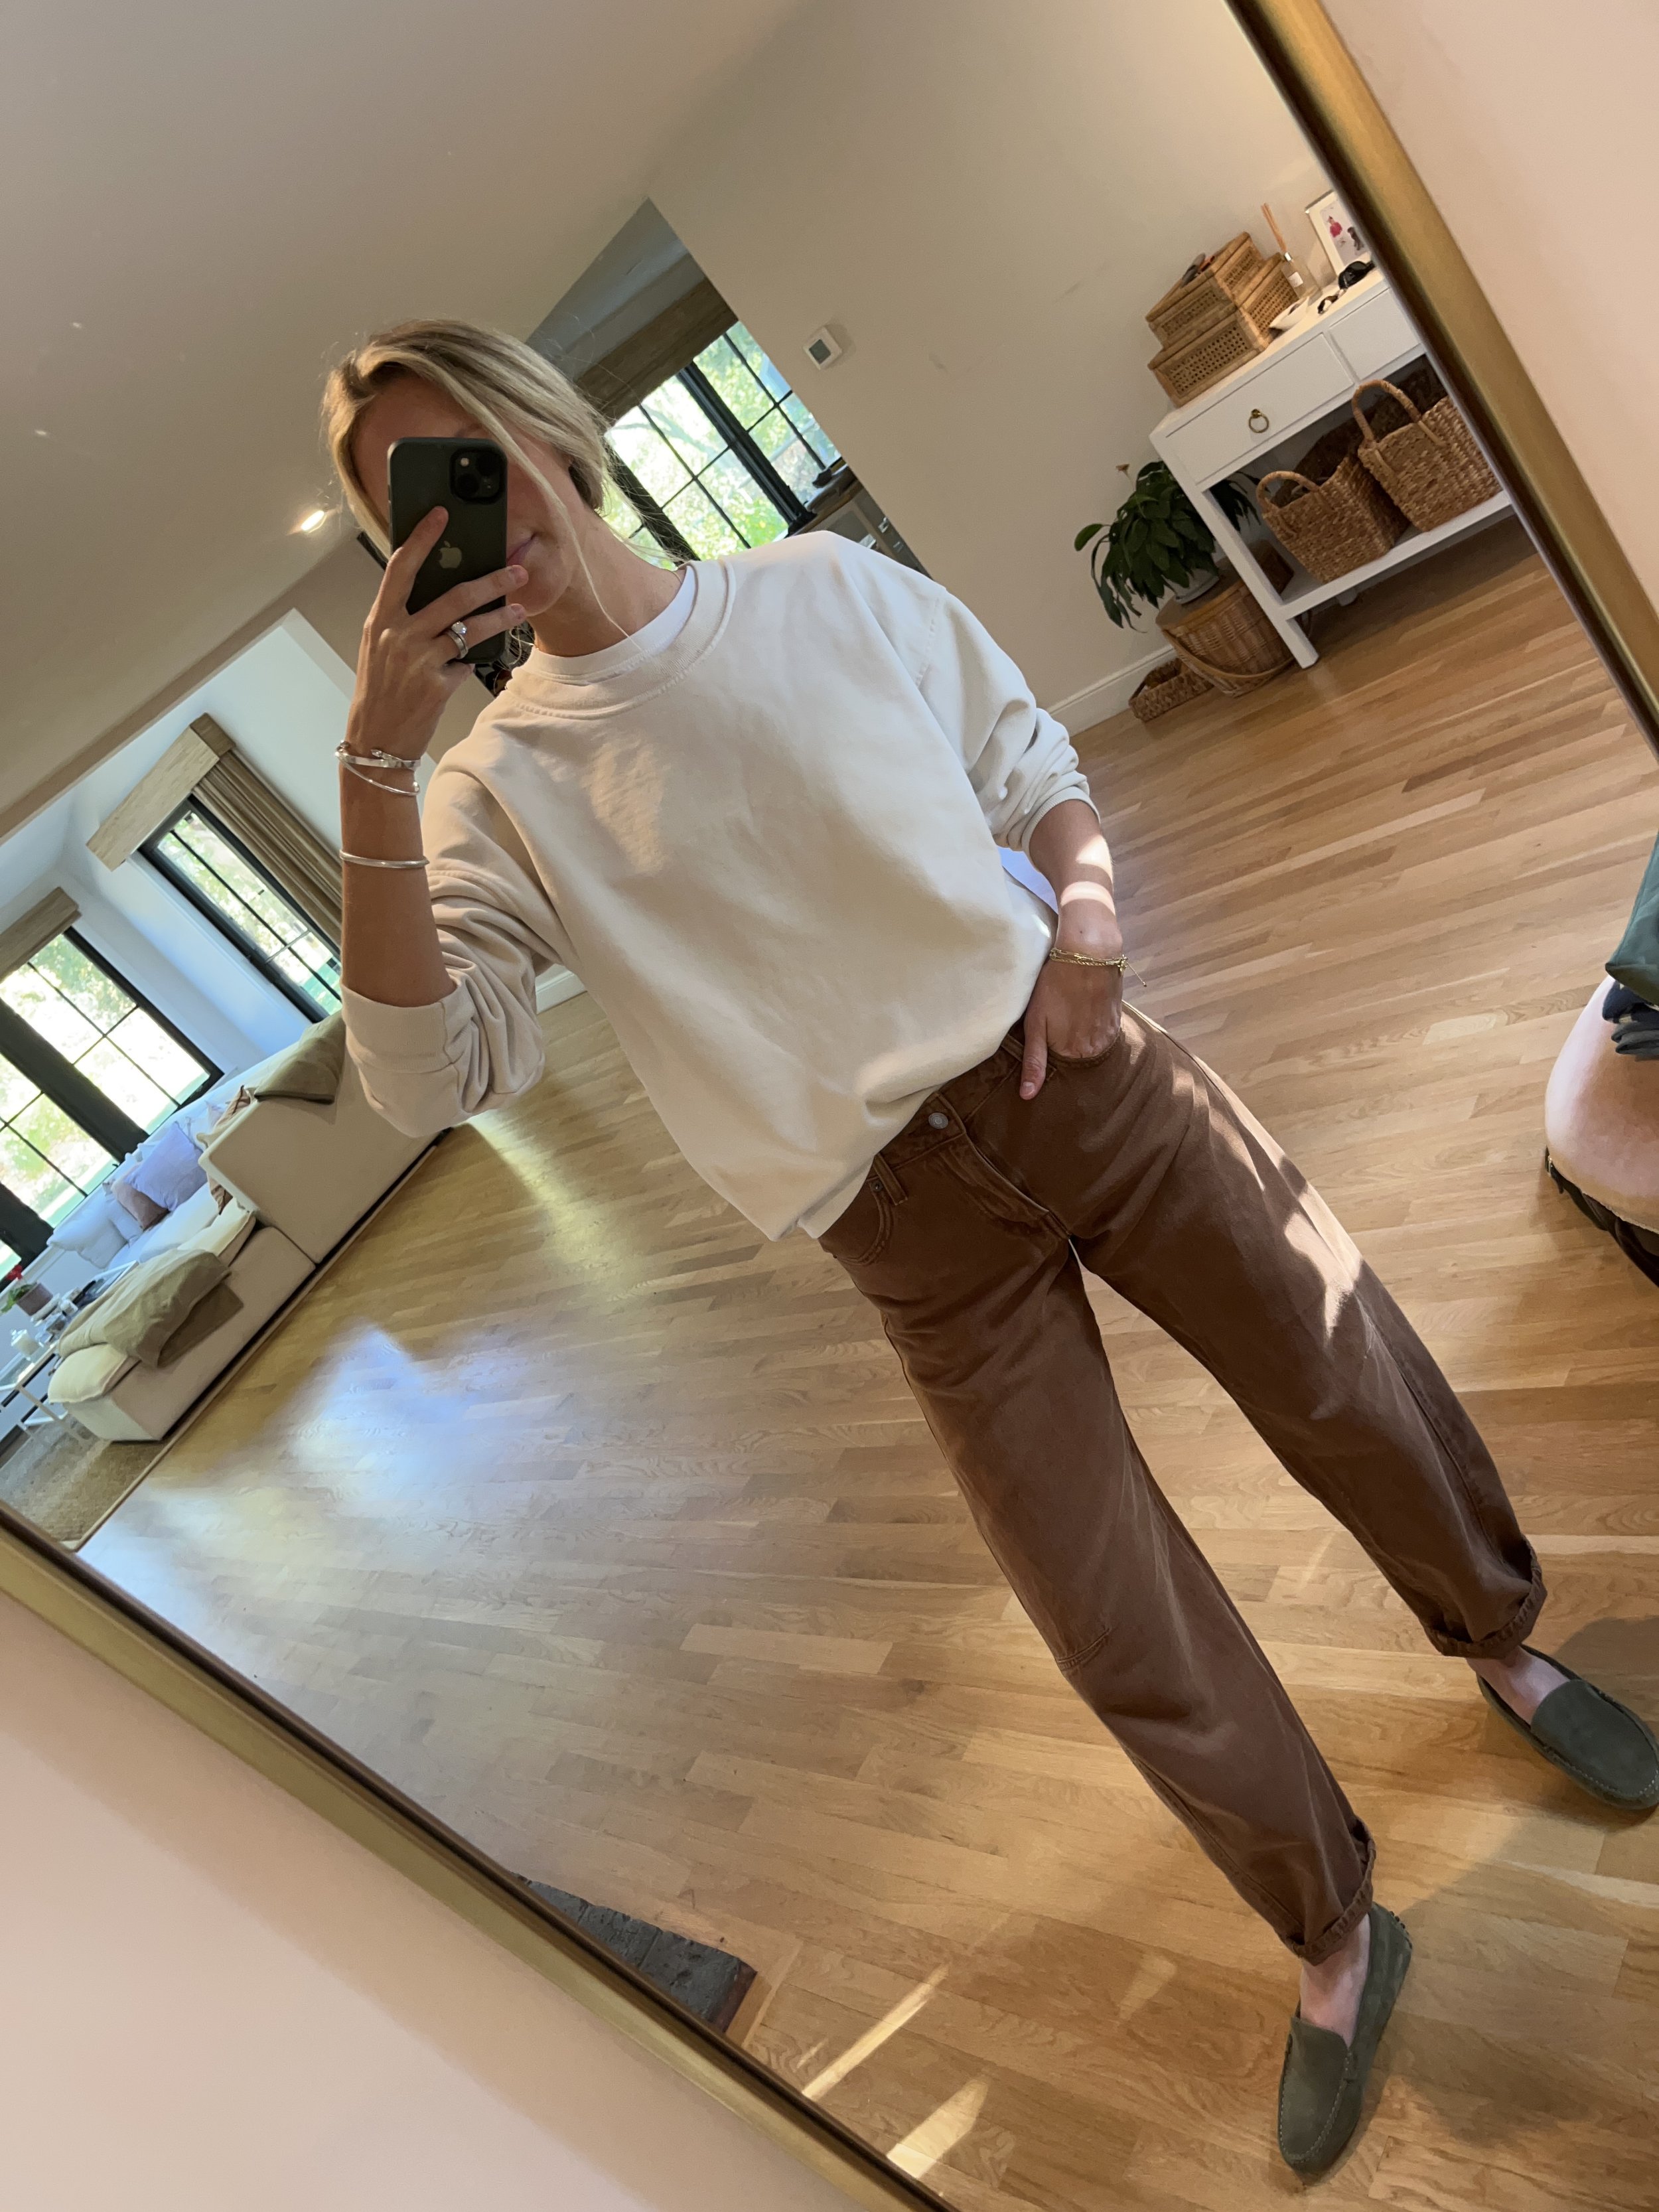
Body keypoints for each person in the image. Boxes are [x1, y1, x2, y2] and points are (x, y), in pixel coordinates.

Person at [321, 319, 1659, 2176]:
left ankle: (1502, 1640)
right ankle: (1335, 1926)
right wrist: (372, 782)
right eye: (400, 499)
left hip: (1077, 1072)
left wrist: (1093, 920)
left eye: (459, 451)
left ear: (545, 426)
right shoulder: (481, 796)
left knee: (1334, 1359)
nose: (455, 515)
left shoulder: (811, 588)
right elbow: (433, 1076)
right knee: (1108, 1613)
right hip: (899, 1229)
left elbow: (1026, 753)